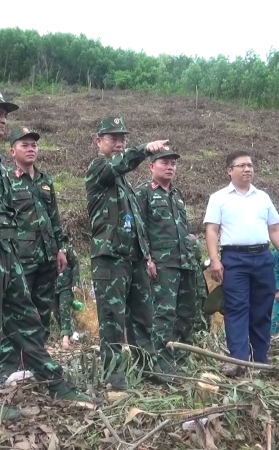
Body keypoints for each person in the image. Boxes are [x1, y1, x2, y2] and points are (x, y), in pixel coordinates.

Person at [0, 88, 97, 422]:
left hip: (8, 250)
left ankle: (54, 381)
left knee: (27, 317)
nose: (3, 118)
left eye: (5, 113)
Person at [85, 116, 170, 390]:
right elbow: (121, 164)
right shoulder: (99, 168)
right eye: (113, 138)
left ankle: (147, 366)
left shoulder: (125, 185)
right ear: (99, 142)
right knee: (112, 318)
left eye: (123, 138)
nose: (119, 143)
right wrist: (145, 150)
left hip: (133, 259)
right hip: (110, 258)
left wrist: (146, 255)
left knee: (143, 316)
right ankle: (114, 375)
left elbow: (135, 223)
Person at [203, 150, 279, 377]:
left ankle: (260, 359)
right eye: (241, 165)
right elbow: (212, 230)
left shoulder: (262, 197)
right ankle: (237, 360)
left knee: (262, 309)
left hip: (263, 257)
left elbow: (274, 229)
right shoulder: (219, 198)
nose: (247, 169)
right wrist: (215, 259)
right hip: (234, 259)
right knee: (236, 308)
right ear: (229, 170)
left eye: (250, 165)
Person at [0, 126, 68, 379]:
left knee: (42, 311)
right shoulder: (6, 179)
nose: (31, 149)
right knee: (17, 312)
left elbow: (54, 218)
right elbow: (2, 219)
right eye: (24, 144)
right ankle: (10, 366)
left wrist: (61, 248)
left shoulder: (45, 181)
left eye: (34, 145)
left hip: (47, 257)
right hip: (20, 258)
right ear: (12, 150)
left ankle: (36, 362)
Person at [135, 148, 207, 374]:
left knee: (187, 312)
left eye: (173, 164)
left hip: (185, 262)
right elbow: (139, 230)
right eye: (164, 162)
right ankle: (161, 363)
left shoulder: (177, 195)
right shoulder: (143, 193)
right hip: (162, 264)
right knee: (163, 314)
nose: (170, 167)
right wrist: (147, 259)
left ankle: (182, 359)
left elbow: (183, 229)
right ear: (151, 166)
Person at [56, 247, 80, 349]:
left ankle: (65, 338)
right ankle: (70, 335)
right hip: (52, 285)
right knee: (56, 312)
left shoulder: (67, 248)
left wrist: (75, 282)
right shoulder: (48, 245)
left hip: (66, 284)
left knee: (64, 308)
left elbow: (76, 264)